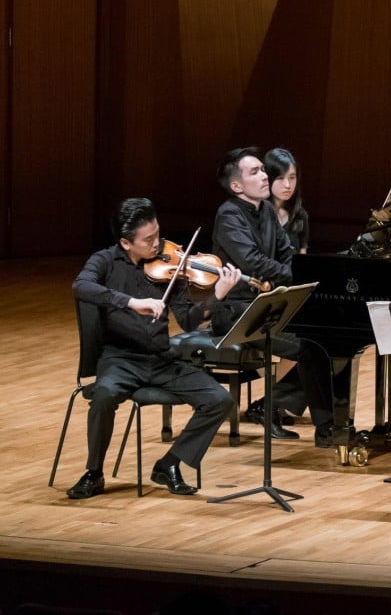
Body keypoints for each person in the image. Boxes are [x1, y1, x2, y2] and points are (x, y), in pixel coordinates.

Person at [67, 198, 239, 499]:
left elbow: (188, 320)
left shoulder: (169, 266)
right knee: (104, 395)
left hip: (162, 361)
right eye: (148, 239)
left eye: (158, 234)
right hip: (120, 359)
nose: (158, 244)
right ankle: (94, 472)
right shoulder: (105, 261)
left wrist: (217, 296)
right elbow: (81, 286)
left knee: (220, 400)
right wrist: (131, 302)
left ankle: (169, 463)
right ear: (125, 242)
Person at [210, 147, 336, 447]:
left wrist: (312, 275)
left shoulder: (265, 210)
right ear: (237, 186)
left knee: (324, 339)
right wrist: (295, 275)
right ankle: (326, 427)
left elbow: (284, 254)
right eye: (255, 172)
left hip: (265, 306)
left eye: (262, 170)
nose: (264, 175)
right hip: (236, 312)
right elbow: (253, 261)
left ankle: (278, 408)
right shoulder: (228, 215)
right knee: (310, 347)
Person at [243, 148, 312, 428]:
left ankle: (275, 403)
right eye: (280, 178)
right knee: (303, 336)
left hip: (290, 292)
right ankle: (276, 403)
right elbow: (252, 263)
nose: (287, 185)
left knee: (319, 333)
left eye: (292, 178)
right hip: (262, 295)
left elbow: (302, 261)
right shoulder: (257, 216)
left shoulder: (300, 216)